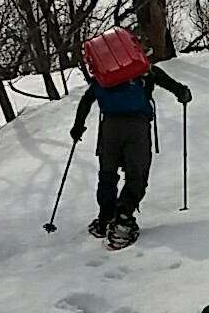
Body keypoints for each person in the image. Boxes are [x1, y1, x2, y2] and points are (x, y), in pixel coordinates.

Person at [71, 51, 192, 245]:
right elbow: (174, 86)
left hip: (109, 129)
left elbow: (87, 100)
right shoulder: (143, 71)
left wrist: (78, 127)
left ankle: (105, 218)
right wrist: (183, 94)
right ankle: (124, 215)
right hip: (137, 127)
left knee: (107, 175)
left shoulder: (104, 75)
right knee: (137, 174)